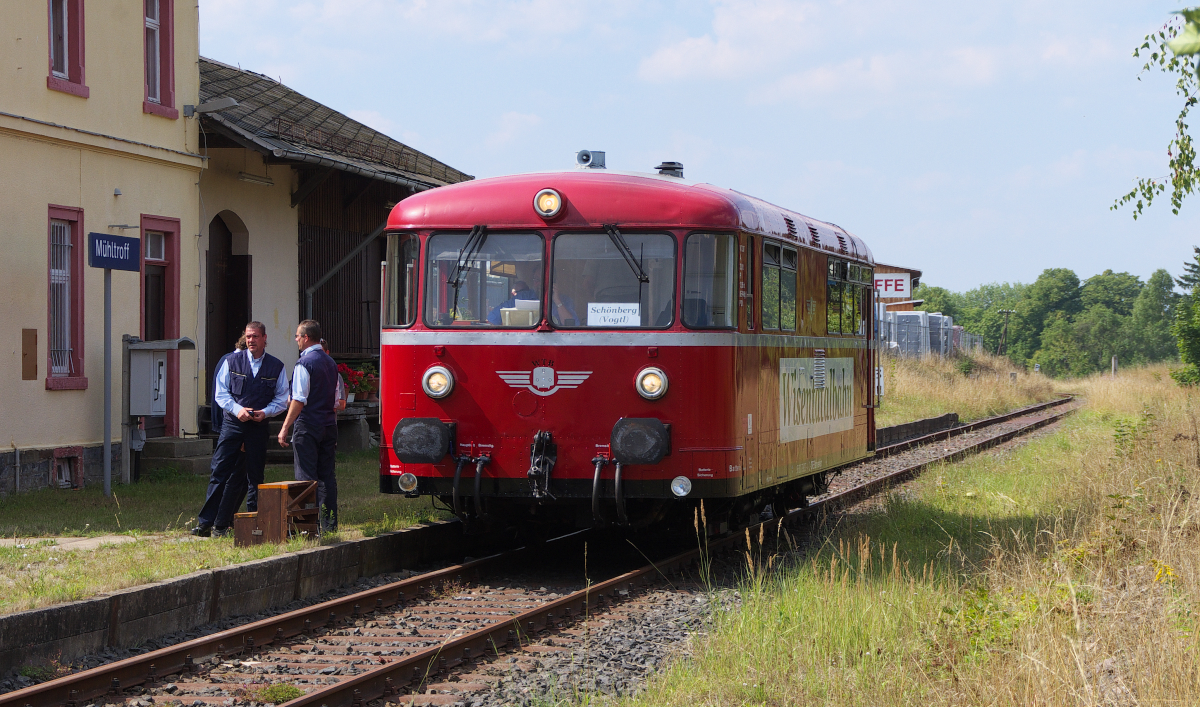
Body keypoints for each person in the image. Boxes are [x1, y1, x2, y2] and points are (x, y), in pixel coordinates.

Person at [193, 322, 289, 538]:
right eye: (248, 336)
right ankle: (206, 522)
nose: (251, 340)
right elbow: (221, 393)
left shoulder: (276, 366)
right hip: (233, 425)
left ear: (264, 338)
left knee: (255, 476)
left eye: (255, 336)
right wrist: (238, 410)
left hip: (258, 426)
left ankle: (253, 523)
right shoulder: (231, 361)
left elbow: (282, 398)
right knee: (219, 472)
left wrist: (266, 412)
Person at [278, 320, 340, 532]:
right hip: (328, 425)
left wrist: (285, 427)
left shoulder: (304, 363)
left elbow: (299, 399)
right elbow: (336, 400)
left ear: (306, 338)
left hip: (308, 425)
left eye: (297, 336)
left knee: (305, 478)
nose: (296, 339)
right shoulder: (331, 363)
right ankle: (329, 525)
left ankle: (307, 527)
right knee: (327, 477)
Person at [321, 339, 348, 413]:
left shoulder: (335, 375)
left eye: (321, 352)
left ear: (327, 353)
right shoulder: (305, 371)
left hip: (327, 418)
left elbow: (342, 405)